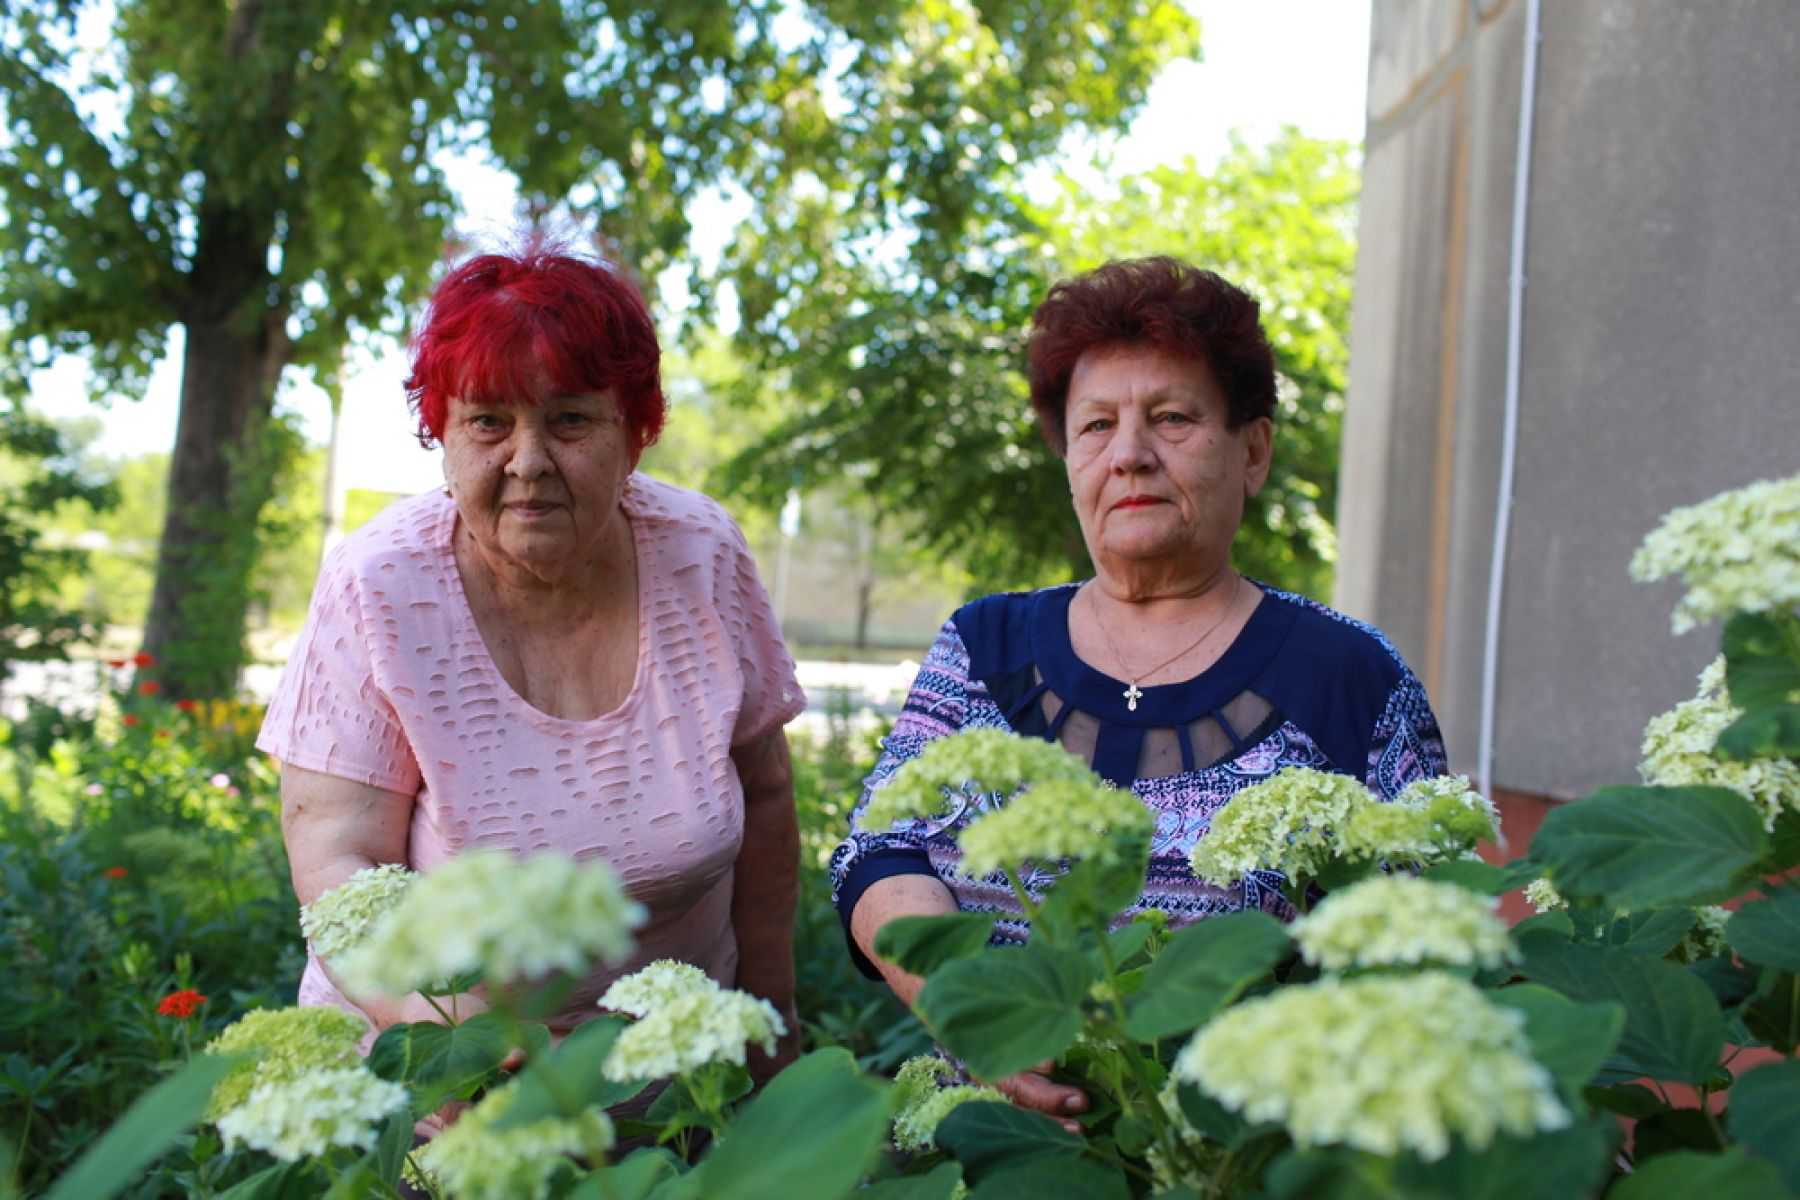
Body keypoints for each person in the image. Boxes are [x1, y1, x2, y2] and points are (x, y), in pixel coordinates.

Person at [830, 256, 1447, 1129]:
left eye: (1172, 417)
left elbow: (1416, 947)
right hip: (997, 1151)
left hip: (1246, 1157)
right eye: (1095, 427)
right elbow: (878, 851)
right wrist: (968, 1005)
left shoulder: (1350, 676)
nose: (1130, 456)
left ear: (1254, 451)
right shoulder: (983, 645)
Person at [259, 241, 807, 1094]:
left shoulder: (701, 553)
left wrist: (773, 1023)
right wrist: (457, 1041)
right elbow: (337, 855)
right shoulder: (379, 582)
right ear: (440, 434)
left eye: (570, 419)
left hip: (681, 1101)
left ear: (636, 431)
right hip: (444, 1104)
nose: (527, 461)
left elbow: (767, 797)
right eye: (488, 420)